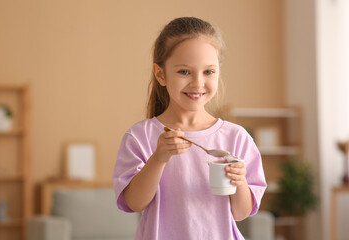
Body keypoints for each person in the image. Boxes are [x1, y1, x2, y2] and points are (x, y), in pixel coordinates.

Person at [113, 17, 266, 240]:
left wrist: (240, 180)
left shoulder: (236, 138)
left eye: (208, 72)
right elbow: (134, 203)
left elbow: (241, 213)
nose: (197, 82)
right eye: (184, 72)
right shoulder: (140, 136)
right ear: (161, 74)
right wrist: (158, 158)